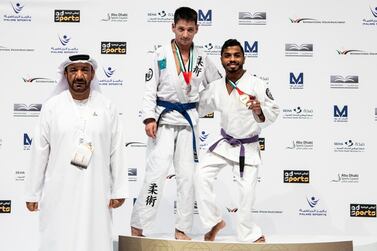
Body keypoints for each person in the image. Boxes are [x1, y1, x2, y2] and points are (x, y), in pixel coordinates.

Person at [130, 6, 221, 240]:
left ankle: (182, 228)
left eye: (190, 29)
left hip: (188, 123)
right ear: (173, 27)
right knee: (156, 173)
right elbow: (149, 89)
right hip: (163, 121)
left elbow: (217, 86)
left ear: (197, 29)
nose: (185, 34)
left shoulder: (201, 57)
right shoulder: (160, 55)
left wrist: (202, 106)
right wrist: (149, 117)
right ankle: (138, 224)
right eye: (181, 29)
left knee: (187, 177)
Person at [25, 54, 128, 251]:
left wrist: (119, 189)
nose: (79, 75)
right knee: (59, 236)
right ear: (66, 74)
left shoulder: (107, 107)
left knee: (95, 236)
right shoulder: (52, 107)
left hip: (96, 190)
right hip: (59, 190)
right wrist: (32, 192)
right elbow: (39, 151)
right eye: (73, 70)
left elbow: (117, 149)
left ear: (92, 74)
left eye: (84, 70)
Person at [195, 39, 279, 243]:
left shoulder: (257, 84)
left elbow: (274, 111)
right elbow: (198, 107)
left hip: (246, 147)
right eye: (227, 55)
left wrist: (259, 110)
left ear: (243, 57)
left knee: (246, 193)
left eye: (236, 55)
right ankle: (214, 222)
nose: (232, 59)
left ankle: (250, 234)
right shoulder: (215, 87)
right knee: (200, 175)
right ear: (222, 59)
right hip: (225, 143)